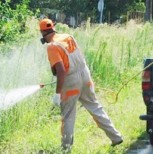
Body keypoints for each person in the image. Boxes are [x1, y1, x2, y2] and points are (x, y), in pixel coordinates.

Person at [39, 18, 123, 151]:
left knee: (68, 115)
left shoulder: (52, 47)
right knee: (95, 106)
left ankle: (66, 149)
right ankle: (116, 137)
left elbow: (60, 71)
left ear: (42, 32)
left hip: (71, 80)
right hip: (85, 74)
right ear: (53, 27)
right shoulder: (68, 36)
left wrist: (57, 93)